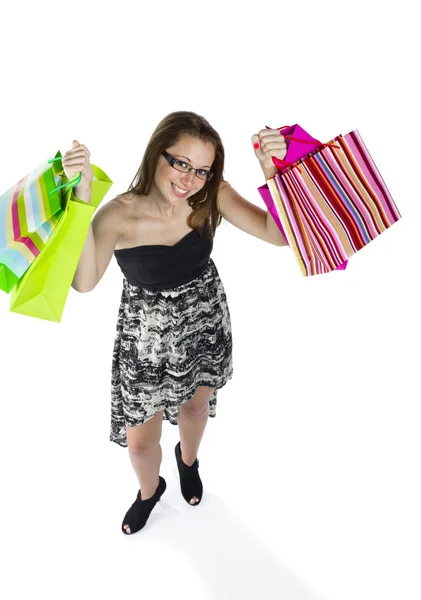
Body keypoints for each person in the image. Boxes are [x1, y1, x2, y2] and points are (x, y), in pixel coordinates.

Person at [66, 111, 288, 535]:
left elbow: (275, 233)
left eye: (201, 170)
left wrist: (273, 172)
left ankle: (188, 461)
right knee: (141, 443)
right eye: (180, 163)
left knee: (195, 405)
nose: (189, 179)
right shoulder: (117, 215)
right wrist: (81, 198)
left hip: (203, 317)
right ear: (156, 154)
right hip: (146, 335)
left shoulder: (211, 197)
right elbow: (84, 282)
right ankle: (150, 492)